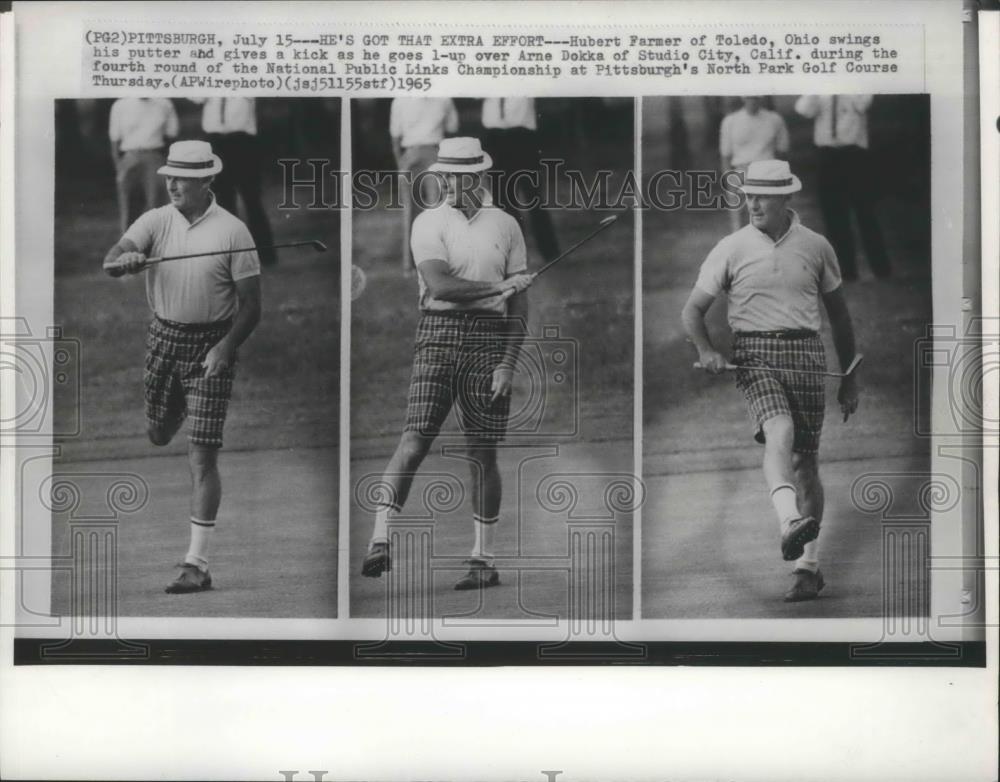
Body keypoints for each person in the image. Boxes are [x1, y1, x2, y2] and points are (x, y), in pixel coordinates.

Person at [681, 160, 860, 602]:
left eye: (762, 195)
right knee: (779, 429)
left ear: (786, 198)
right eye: (748, 195)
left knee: (806, 464)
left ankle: (808, 566)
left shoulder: (816, 246)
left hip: (806, 353)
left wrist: (851, 379)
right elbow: (692, 312)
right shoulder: (731, 246)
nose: (753, 203)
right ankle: (787, 520)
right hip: (754, 354)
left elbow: (839, 315)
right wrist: (706, 350)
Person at [361, 137, 535, 590]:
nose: (453, 184)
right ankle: (379, 539)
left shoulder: (506, 225)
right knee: (414, 440)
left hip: (490, 340)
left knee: (482, 452)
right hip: (437, 335)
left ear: (480, 176)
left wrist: (507, 364)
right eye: (447, 176)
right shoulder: (427, 222)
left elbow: (520, 310)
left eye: (462, 176)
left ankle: (483, 560)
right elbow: (439, 285)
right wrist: (500, 288)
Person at [102, 140, 262, 594]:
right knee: (157, 433)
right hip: (163, 339)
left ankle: (197, 564)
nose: (171, 183)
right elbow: (111, 260)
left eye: (182, 178)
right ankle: (177, 412)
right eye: (169, 175)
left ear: (206, 180)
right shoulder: (154, 220)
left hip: (211, 346)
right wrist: (125, 261)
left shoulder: (234, 231)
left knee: (202, 454)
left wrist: (226, 347)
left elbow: (252, 308)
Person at [794, 95, 891, 280]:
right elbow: (803, 109)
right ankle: (847, 272)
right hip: (827, 155)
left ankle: (882, 270)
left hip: (854, 154)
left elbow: (862, 103)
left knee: (865, 213)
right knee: (834, 215)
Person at [196, 98, 278, 266]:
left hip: (243, 142)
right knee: (223, 201)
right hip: (215, 142)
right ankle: (231, 256)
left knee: (251, 199)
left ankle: (266, 255)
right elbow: (196, 97)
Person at [481, 97, 560, 262]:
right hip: (494, 139)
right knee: (502, 200)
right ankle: (513, 254)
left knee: (533, 197)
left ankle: (550, 252)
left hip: (522, 137)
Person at [388, 97, 459, 273]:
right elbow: (453, 128)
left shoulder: (400, 99)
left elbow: (395, 137)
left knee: (414, 211)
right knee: (436, 209)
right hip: (432, 152)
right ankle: (435, 262)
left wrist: (401, 164)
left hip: (414, 154)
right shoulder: (444, 96)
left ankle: (411, 265)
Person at [108, 98, 179, 234]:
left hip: (155, 157)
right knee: (129, 209)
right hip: (129, 158)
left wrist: (164, 161)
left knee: (158, 207)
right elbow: (114, 140)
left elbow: (172, 135)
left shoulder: (164, 104)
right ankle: (130, 251)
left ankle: (159, 248)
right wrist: (119, 166)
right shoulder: (120, 105)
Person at [719, 96, 790, 231]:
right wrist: (728, 182)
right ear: (743, 98)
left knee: (768, 220)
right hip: (741, 172)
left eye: (756, 97)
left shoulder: (774, 119)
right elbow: (725, 156)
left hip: (768, 173)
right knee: (740, 224)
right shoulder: (731, 121)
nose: (753, 101)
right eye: (749, 97)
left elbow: (783, 151)